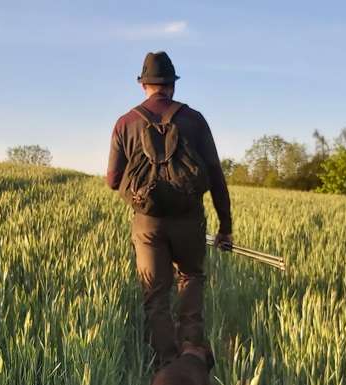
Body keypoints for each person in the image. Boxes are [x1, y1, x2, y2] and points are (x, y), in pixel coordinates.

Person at [106, 51, 233, 375]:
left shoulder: (125, 123)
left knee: (155, 293)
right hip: (190, 220)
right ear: (172, 86)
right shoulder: (194, 119)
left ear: (143, 84)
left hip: (148, 223)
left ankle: (166, 364)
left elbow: (113, 180)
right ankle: (191, 353)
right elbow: (216, 177)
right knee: (190, 276)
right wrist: (225, 226)